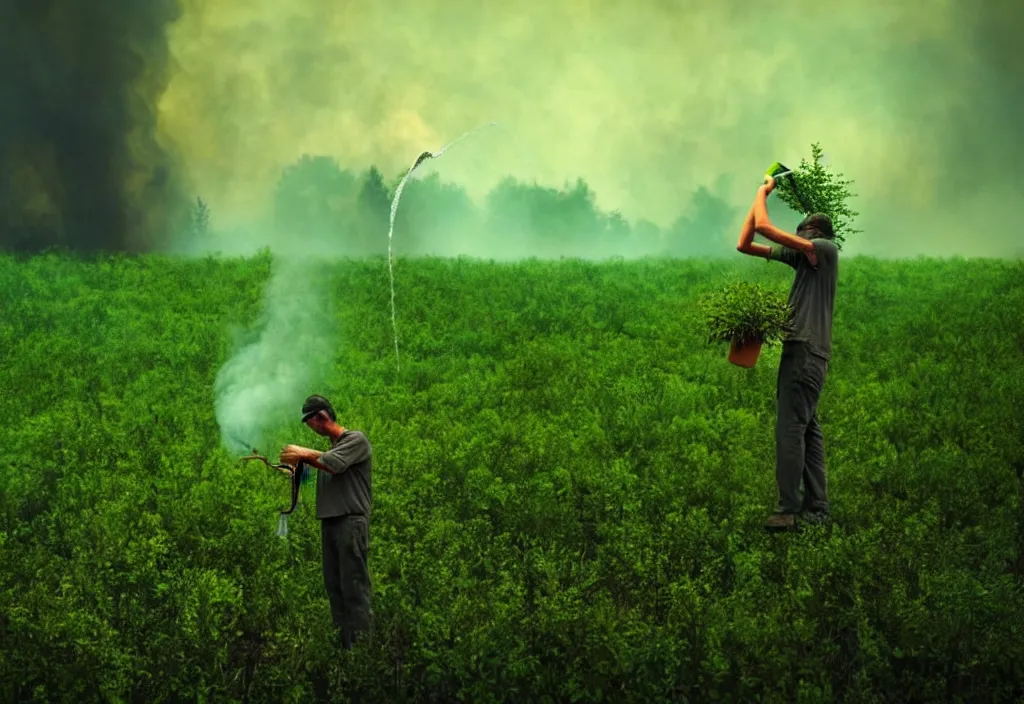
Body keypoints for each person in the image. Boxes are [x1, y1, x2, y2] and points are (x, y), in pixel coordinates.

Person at [735, 175, 839, 531]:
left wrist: (763, 191)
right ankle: (817, 512)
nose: (800, 238)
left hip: (805, 350)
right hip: (811, 352)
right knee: (808, 429)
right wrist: (757, 197)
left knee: (789, 428)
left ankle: (788, 510)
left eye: (801, 232)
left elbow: (765, 226)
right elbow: (745, 243)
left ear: (812, 232)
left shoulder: (823, 250)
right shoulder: (804, 259)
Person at [280, 394, 374, 647]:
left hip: (350, 522)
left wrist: (303, 453)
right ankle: (343, 646)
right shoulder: (330, 451)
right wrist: (296, 471)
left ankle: (362, 649)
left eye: (311, 422)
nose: (312, 428)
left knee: (353, 585)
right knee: (334, 585)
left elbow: (333, 465)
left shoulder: (355, 440)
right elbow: (319, 472)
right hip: (331, 523)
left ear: (321, 417)